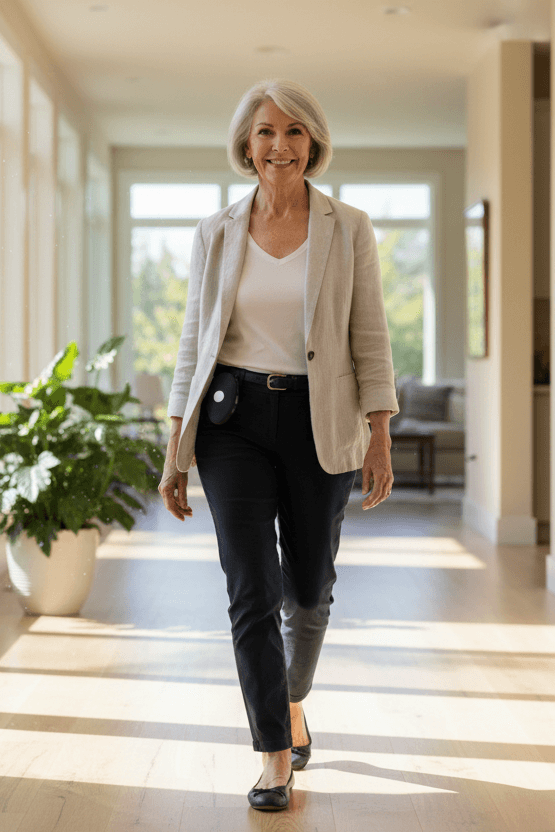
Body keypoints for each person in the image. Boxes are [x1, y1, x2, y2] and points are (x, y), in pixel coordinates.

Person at [158, 78, 399, 811]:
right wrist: (176, 446)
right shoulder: (216, 232)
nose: (279, 146)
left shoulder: (347, 227)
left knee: (307, 588)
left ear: (313, 144)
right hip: (232, 422)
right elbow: (194, 342)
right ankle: (271, 753)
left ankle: (292, 701)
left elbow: (368, 334)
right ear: (245, 145)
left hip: (317, 422)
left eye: (294, 132)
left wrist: (380, 432)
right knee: (250, 590)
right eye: (265, 132)